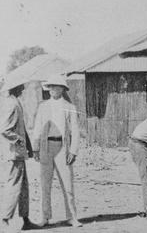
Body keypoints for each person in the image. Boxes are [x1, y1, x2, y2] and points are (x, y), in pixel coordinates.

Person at [32, 74, 82, 227]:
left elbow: (75, 130)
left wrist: (73, 151)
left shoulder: (70, 107)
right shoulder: (43, 106)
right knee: (44, 184)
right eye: (51, 86)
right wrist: (35, 148)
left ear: (63, 88)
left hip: (63, 148)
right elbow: (37, 128)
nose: (53, 89)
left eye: (56, 86)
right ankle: (44, 217)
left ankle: (71, 217)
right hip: (46, 147)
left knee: (67, 184)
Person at [1, 82, 39, 230]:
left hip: (19, 153)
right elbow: (4, 129)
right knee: (14, 185)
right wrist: (18, 140)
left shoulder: (15, 102)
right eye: (21, 86)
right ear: (15, 87)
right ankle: (4, 218)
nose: (23, 88)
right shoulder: (11, 104)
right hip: (13, 153)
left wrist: (28, 148)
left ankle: (25, 219)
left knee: (23, 187)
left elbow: (21, 128)